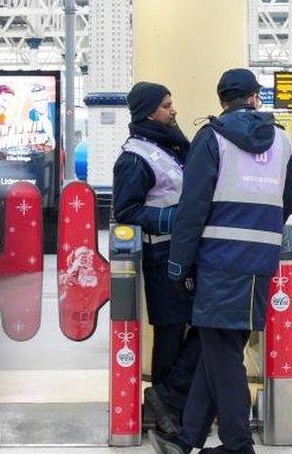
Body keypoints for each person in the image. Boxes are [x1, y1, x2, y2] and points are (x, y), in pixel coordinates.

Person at [151, 69, 292, 454]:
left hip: (218, 261)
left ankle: (237, 445)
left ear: (222, 100)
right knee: (220, 346)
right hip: (259, 262)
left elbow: (193, 207)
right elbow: (290, 196)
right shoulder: (282, 141)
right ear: (254, 97)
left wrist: (179, 263)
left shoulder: (211, 138)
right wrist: (262, 229)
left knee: (222, 351)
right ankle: (187, 440)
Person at [112, 81, 198, 436]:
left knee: (196, 326)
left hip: (185, 250)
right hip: (161, 252)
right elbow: (125, 210)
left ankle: (170, 400)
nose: (173, 110)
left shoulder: (170, 146)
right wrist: (173, 217)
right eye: (166, 105)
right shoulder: (135, 157)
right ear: (148, 111)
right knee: (170, 331)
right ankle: (167, 408)